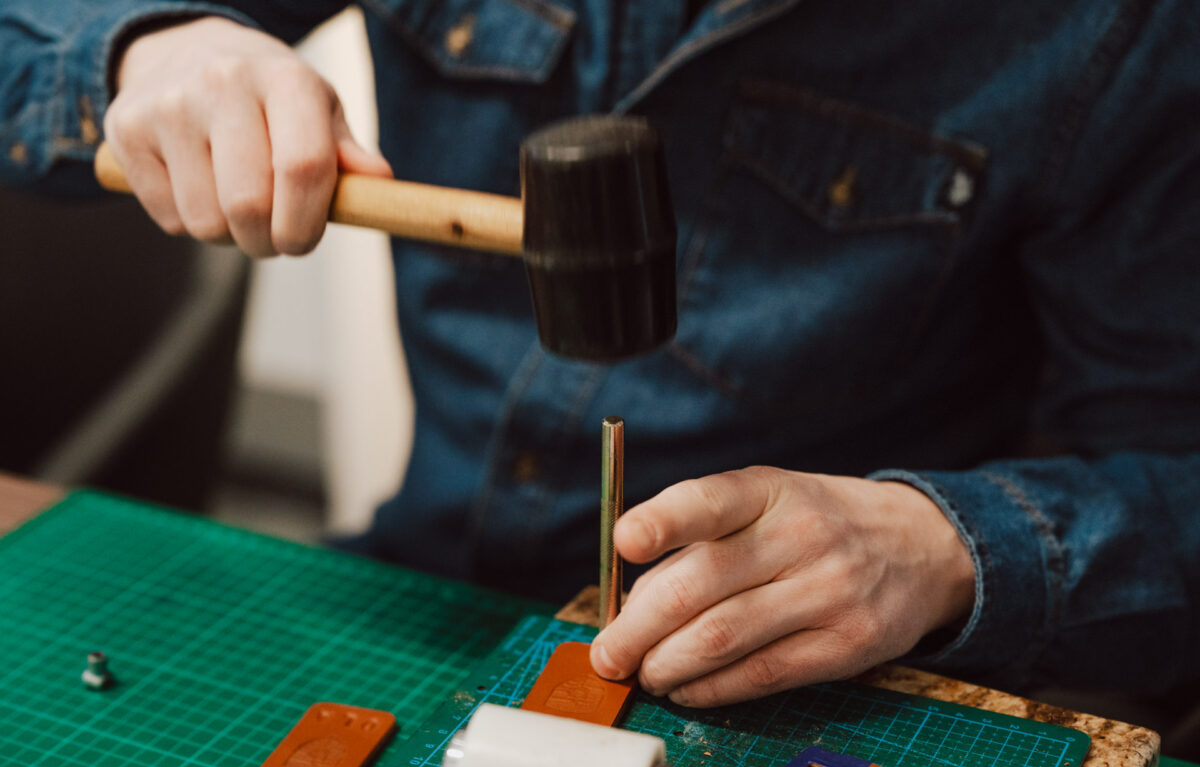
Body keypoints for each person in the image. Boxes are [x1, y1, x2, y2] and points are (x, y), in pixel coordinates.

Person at [2, 0, 1198, 710]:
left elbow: (1172, 471)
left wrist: (944, 547)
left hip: (817, 687)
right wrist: (144, 48)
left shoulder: (1121, 30)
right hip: (422, 596)